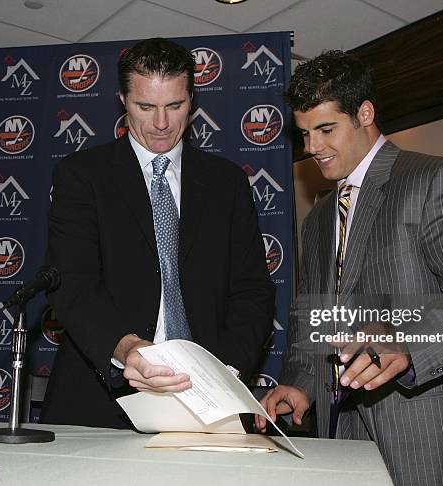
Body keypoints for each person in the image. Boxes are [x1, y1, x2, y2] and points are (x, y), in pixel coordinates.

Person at [256, 50, 443, 486]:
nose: (312, 148)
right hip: (341, 434)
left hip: (431, 437)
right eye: (304, 134)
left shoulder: (436, 178)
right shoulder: (320, 217)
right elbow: (315, 315)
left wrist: (406, 339)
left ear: (365, 112)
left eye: (325, 129)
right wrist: (300, 382)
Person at [41, 38, 274, 429]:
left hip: (209, 400)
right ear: (122, 100)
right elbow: (74, 285)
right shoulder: (82, 176)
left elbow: (253, 291)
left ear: (192, 100)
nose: (161, 123)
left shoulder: (227, 182)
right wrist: (127, 348)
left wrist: (221, 369)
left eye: (175, 105)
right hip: (100, 401)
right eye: (145, 107)